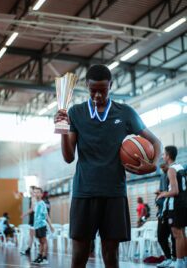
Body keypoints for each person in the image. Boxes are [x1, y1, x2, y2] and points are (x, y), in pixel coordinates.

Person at [54, 64, 162, 268]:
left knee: (111, 254)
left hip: (114, 192)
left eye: (102, 91)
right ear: (86, 86)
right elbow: (69, 157)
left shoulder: (126, 112)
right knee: (79, 256)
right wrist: (61, 129)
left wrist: (153, 165)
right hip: (84, 192)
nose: (97, 96)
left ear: (111, 86)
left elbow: (156, 142)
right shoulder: (76, 113)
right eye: (92, 90)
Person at [157, 146, 187, 268]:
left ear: (168, 156)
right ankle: (184, 260)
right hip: (184, 202)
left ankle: (179, 263)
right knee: (182, 234)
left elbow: (174, 191)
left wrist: (163, 194)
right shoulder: (180, 167)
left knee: (177, 234)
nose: (163, 156)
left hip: (176, 204)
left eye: (164, 154)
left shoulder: (171, 169)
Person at [155, 162, 176, 268]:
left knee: (174, 237)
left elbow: (173, 191)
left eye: (163, 166)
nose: (162, 168)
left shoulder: (172, 173)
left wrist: (163, 193)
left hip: (171, 209)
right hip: (162, 210)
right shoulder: (162, 176)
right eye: (161, 167)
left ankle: (175, 259)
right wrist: (159, 193)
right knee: (161, 236)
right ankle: (168, 258)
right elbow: (164, 191)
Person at [32, 187, 54, 265]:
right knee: (40, 242)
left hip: (42, 225)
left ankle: (44, 258)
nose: (36, 194)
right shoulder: (36, 204)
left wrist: (51, 226)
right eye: (35, 192)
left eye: (38, 192)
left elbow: (46, 215)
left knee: (44, 241)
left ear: (41, 194)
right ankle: (40, 256)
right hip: (37, 226)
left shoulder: (42, 203)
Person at [20, 185, 36, 255]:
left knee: (32, 235)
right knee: (32, 235)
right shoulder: (33, 198)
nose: (29, 191)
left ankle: (29, 249)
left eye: (30, 189)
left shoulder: (33, 198)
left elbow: (32, 209)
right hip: (33, 218)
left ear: (33, 190)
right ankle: (28, 249)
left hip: (34, 219)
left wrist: (24, 214)